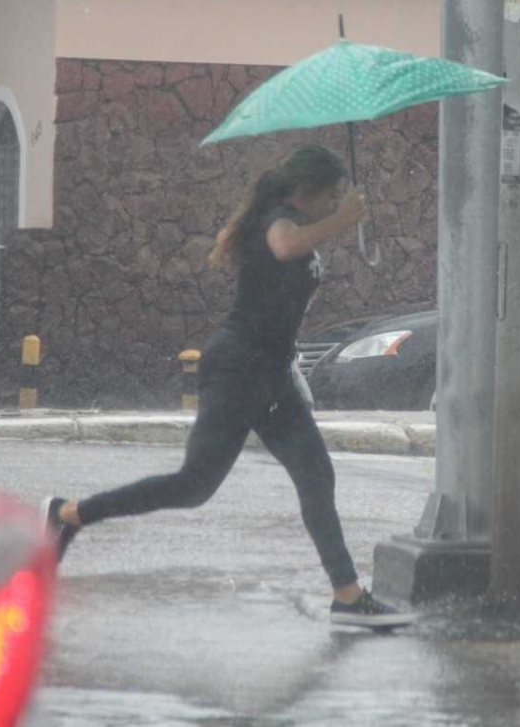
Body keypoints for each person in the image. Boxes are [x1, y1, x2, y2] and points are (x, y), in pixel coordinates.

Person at [42, 145, 414, 628]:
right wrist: (342, 219)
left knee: (317, 476)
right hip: (237, 369)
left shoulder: (292, 222)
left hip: (276, 375)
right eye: (331, 195)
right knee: (193, 486)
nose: (334, 203)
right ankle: (67, 513)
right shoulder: (279, 221)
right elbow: (285, 246)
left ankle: (347, 595)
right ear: (306, 191)